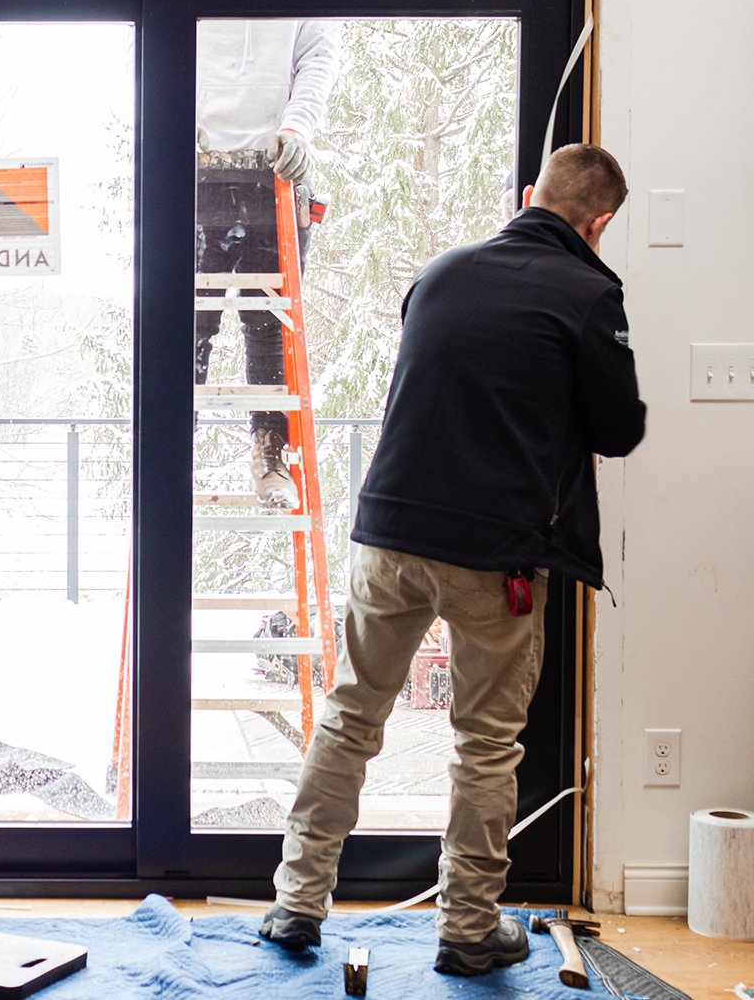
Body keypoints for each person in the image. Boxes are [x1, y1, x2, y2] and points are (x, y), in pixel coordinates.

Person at [258, 144, 645, 976]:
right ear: (600, 224)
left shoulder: (440, 272)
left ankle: (296, 903)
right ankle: (468, 928)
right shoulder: (589, 292)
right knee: (485, 743)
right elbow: (619, 430)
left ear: (527, 195)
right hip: (491, 553)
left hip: (388, 530)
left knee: (350, 715)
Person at [194, 20, 342, 505]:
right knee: (186, 322)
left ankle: (270, 451)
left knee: (268, 324)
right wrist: (173, 111)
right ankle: (174, 443)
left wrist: (297, 129)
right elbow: (161, 36)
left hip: (274, 171)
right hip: (196, 163)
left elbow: (316, 61)